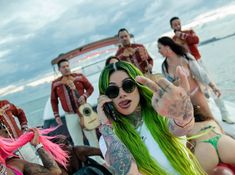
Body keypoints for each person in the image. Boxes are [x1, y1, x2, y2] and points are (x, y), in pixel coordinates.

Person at [97, 61, 206, 175]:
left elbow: (180, 128)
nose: (122, 94)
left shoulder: (161, 113)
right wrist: (106, 125)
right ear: (106, 99)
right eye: (113, 91)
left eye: (128, 86)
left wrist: (181, 115)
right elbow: (128, 173)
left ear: (139, 87)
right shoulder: (108, 138)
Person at [170, 16, 234, 124]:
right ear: (171, 26)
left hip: (198, 62)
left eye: (178, 23)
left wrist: (181, 35)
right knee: (198, 91)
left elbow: (195, 40)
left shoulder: (189, 32)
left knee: (211, 84)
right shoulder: (172, 41)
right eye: (175, 24)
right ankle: (207, 117)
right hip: (186, 67)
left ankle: (225, 114)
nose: (177, 26)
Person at [158, 36, 220, 121]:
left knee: (210, 119)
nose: (159, 51)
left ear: (167, 46)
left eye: (160, 48)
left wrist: (213, 86)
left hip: (196, 95)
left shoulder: (185, 57)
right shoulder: (164, 66)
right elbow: (168, 87)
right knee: (195, 126)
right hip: (183, 102)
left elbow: (200, 73)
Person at [51, 58, 99, 148]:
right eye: (63, 67)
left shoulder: (79, 76)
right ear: (59, 69)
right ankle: (86, 162)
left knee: (92, 138)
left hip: (84, 112)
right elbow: (53, 100)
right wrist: (56, 115)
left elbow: (90, 88)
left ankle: (99, 160)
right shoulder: (55, 83)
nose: (66, 68)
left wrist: (85, 96)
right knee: (77, 141)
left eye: (67, 66)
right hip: (70, 115)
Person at [187, 106, 235, 174]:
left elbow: (188, 149)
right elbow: (223, 132)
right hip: (224, 142)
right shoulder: (211, 120)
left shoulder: (186, 128)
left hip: (204, 149)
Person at [0, 127, 68, 175]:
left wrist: (38, 145)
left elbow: (55, 172)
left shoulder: (16, 164)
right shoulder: (15, 165)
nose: (6, 130)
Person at [0, 100, 42, 164]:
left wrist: (24, 127)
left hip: (23, 145)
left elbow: (20, 112)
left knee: (35, 164)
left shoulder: (5, 104)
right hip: (8, 153)